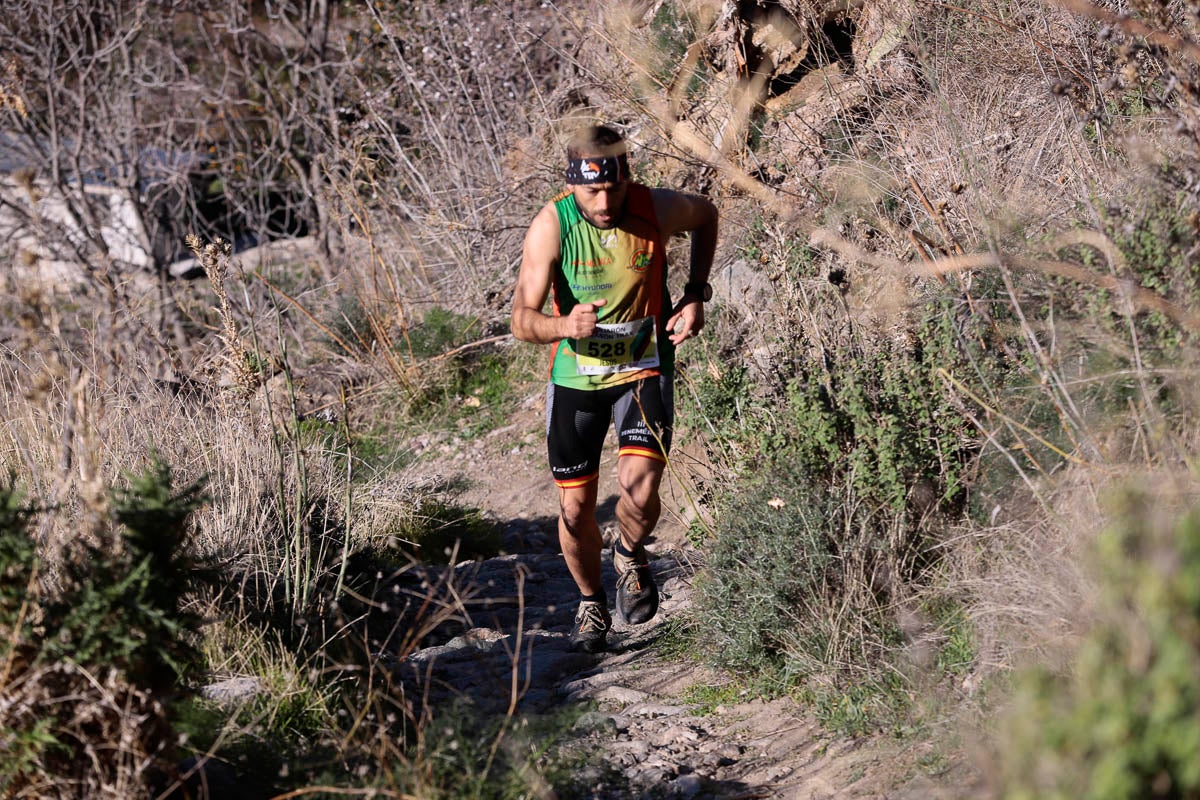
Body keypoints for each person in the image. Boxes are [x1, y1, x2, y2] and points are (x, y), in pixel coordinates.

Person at [510, 124, 718, 653]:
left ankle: (629, 551)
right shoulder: (551, 226)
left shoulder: (656, 208)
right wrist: (562, 327)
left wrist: (695, 293)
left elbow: (707, 215)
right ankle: (591, 601)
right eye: (591, 192)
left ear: (628, 177)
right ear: (571, 185)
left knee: (642, 486)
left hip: (643, 365)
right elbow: (520, 320)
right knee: (577, 510)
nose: (605, 203)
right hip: (576, 378)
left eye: (614, 189)